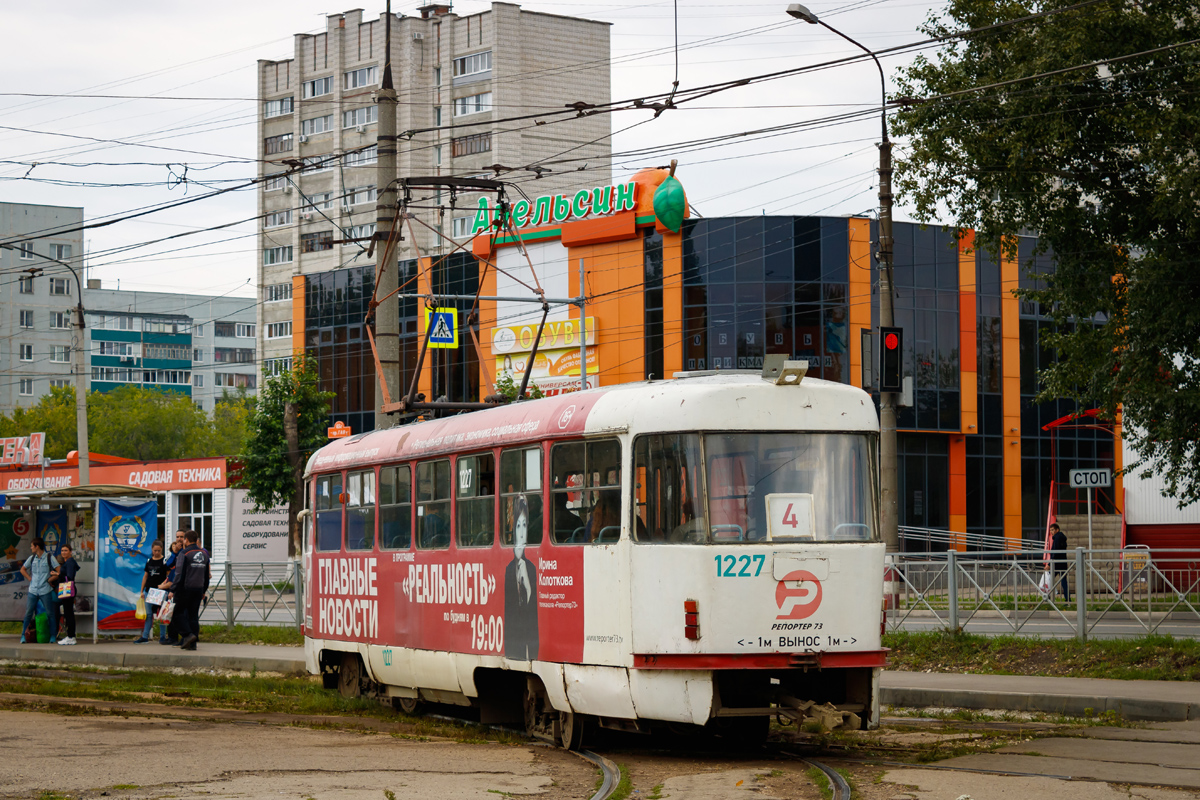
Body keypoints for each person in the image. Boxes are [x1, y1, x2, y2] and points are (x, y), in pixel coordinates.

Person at [503, 496, 539, 660]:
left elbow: (533, 616)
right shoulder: (509, 569)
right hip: (513, 646)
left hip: (530, 646)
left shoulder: (531, 568)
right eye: (518, 525)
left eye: (525, 525)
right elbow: (509, 615)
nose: (522, 532)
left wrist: (528, 589)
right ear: (514, 530)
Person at [175, 530, 210, 651]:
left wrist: (174, 588)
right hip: (199, 589)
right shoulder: (204, 554)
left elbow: (179, 573)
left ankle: (187, 635)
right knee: (193, 616)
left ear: (186, 540)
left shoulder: (184, 553)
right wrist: (204, 590)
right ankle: (192, 644)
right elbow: (206, 575)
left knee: (177, 613)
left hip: (185, 589)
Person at [20, 538, 59, 644]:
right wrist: (29, 578)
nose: (31, 547)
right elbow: (22, 569)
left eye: (32, 546)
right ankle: (23, 635)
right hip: (33, 590)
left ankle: (53, 635)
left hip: (45, 590)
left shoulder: (50, 557)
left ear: (37, 546)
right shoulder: (32, 558)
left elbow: (59, 571)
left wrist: (50, 579)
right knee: (28, 613)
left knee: (50, 613)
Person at [135, 541, 167, 643]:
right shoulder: (149, 561)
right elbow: (145, 576)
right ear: (152, 550)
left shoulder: (164, 561)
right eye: (155, 551)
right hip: (149, 591)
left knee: (160, 614)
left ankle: (162, 637)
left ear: (161, 550)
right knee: (148, 615)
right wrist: (142, 591)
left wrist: (164, 586)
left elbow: (168, 576)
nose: (156, 553)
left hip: (160, 592)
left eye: (158, 551)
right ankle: (145, 636)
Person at [159, 533, 186, 645]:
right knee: (171, 612)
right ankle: (172, 637)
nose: (179, 539)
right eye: (177, 537)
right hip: (173, 586)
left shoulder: (186, 551)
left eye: (181, 537)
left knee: (182, 614)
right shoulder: (176, 552)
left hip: (183, 586)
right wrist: (174, 552)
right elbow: (168, 565)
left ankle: (184, 637)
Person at [55, 544, 80, 646]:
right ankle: (70, 636)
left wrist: (58, 575)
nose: (63, 552)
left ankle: (71, 636)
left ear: (70, 551)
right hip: (66, 589)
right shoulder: (68, 562)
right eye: (62, 550)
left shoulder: (70, 562)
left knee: (68, 613)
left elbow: (69, 576)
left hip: (67, 589)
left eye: (66, 550)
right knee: (67, 613)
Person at [1050, 523, 1070, 603]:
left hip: (1056, 564)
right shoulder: (1061, 538)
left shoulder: (1057, 538)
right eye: (1050, 530)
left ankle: (1048, 598)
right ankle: (1068, 599)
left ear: (1057, 530)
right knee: (1064, 582)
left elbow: (1055, 551)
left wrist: (1049, 564)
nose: (1051, 532)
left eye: (1052, 530)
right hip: (1062, 563)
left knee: (1048, 579)